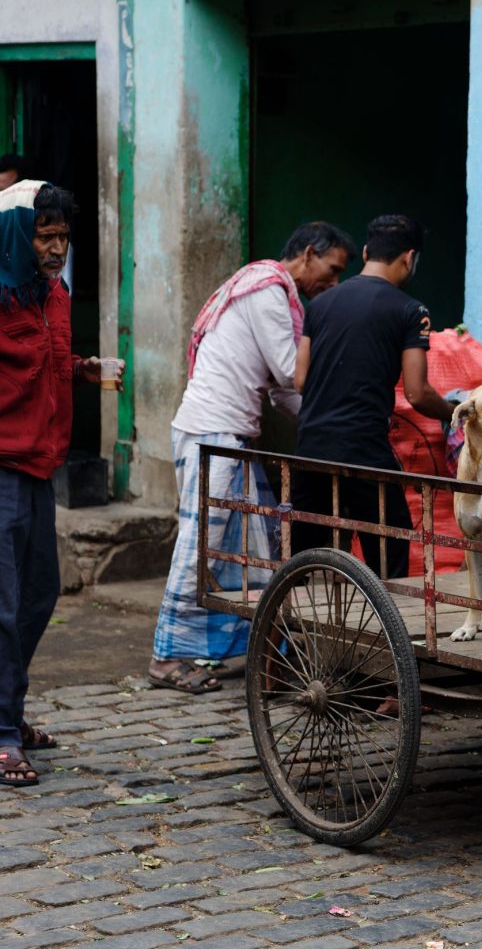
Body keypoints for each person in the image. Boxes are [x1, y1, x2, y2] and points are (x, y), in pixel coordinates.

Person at [147, 222, 356, 693]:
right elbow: (288, 370)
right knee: (201, 546)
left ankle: (261, 655)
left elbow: (283, 390)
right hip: (213, 432)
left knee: (252, 551)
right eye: (333, 269)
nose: (334, 281)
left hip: (227, 433)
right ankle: (166, 656)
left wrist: (328, 427)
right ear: (306, 254)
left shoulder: (273, 292)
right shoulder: (267, 291)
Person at [0, 180, 120, 785]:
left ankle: (7, 712)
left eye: (62, 237)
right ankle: (1, 732)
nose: (55, 248)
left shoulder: (57, 293)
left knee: (39, 595)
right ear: (19, 235)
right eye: (44, 236)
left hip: (40, 465)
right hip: (0, 466)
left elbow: (47, 360)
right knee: (2, 604)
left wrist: (84, 368)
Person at [291, 214, 454, 578]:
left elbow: (300, 381)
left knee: (304, 561)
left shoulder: (319, 305)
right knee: (390, 552)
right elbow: (417, 392)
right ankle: (386, 635)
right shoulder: (411, 311)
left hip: (310, 450)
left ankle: (295, 633)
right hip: (364, 453)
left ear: (366, 252)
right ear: (410, 258)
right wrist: (454, 411)